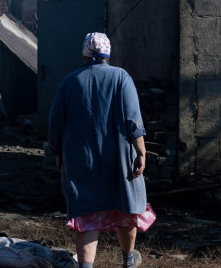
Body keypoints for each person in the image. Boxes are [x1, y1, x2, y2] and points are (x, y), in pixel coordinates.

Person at [49, 32, 155, 268]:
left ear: (85, 52)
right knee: (126, 209)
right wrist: (141, 152)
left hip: (81, 160)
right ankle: (128, 260)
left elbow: (55, 123)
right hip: (119, 159)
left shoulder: (70, 81)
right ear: (108, 52)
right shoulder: (121, 77)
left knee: (87, 215)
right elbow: (133, 120)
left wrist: (58, 153)